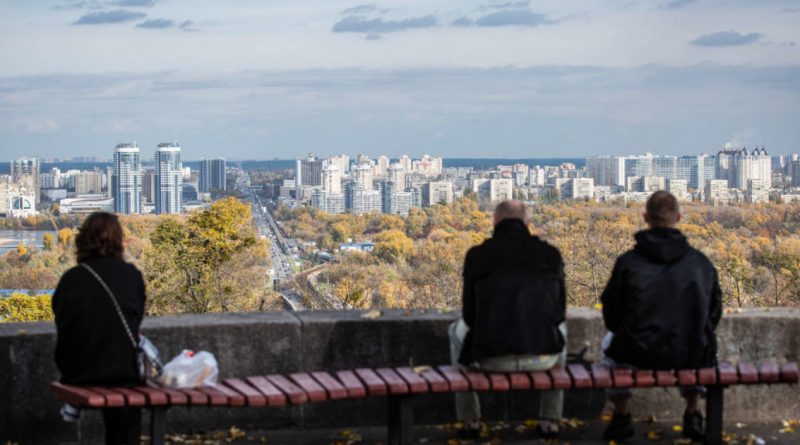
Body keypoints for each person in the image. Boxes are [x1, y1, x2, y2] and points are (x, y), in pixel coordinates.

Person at [600, 191, 722, 442]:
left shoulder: (628, 262)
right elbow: (713, 314)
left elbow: (611, 315)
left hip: (636, 352)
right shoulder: (700, 264)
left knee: (608, 346)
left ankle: (622, 415)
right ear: (678, 217)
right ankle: (693, 412)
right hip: (688, 351)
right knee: (700, 340)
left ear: (646, 218)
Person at [449, 200, 567, 439]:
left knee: (455, 330)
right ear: (527, 223)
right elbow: (558, 313)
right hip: (542, 357)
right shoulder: (550, 255)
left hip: (490, 358)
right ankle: (550, 420)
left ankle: (470, 419)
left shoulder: (478, 255)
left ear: (495, 222)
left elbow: (469, 316)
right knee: (561, 328)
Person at [53, 212, 147, 445]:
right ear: (118, 240)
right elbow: (135, 321)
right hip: (123, 372)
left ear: (82, 240)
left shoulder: (71, 279)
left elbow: (63, 324)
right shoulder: (131, 275)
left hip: (78, 370)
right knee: (125, 408)